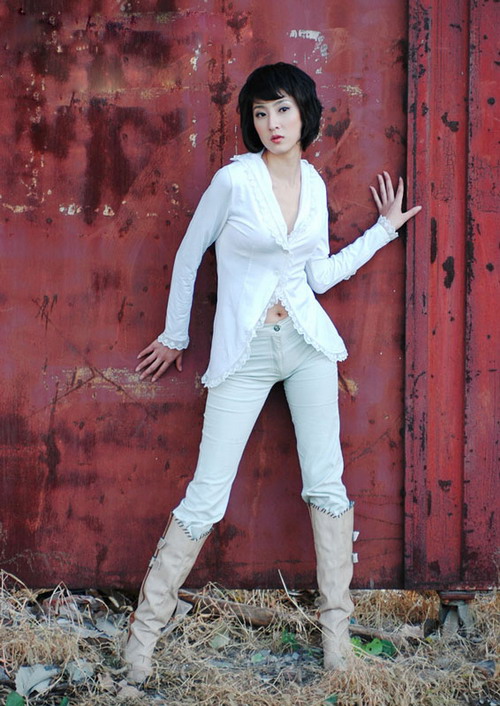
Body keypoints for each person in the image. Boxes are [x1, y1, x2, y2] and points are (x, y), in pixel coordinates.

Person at [123, 62, 421, 683]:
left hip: (307, 343)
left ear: (303, 112)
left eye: (282, 109)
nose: (272, 123)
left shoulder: (313, 182)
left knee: (327, 486)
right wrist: (176, 335)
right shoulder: (234, 181)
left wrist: (382, 233)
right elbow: (189, 254)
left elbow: (317, 275)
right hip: (246, 350)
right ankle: (141, 642)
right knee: (207, 494)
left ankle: (337, 644)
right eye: (260, 113)